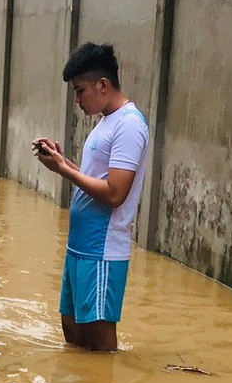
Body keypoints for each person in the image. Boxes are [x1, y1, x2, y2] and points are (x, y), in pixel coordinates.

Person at [34, 42, 150, 354]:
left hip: (102, 252)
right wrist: (63, 164)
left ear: (103, 85)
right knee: (73, 337)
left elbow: (114, 194)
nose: (77, 100)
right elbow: (96, 178)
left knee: (101, 351)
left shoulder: (129, 125)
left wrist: (65, 170)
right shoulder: (106, 122)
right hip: (80, 249)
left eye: (80, 90)